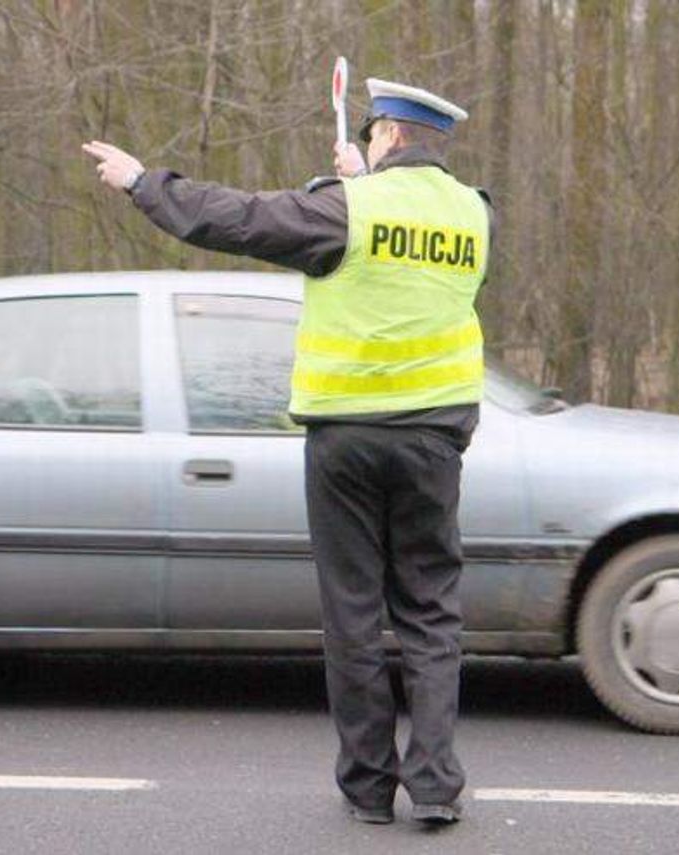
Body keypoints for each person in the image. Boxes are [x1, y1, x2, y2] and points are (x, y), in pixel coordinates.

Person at [83, 77, 494, 826]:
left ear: (390, 137)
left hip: (348, 439)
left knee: (355, 615)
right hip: (434, 440)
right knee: (432, 615)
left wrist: (146, 184)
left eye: (373, 136)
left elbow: (239, 219)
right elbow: (408, 265)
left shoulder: (346, 209)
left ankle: (369, 787)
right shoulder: (475, 214)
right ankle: (435, 784)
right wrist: (360, 185)